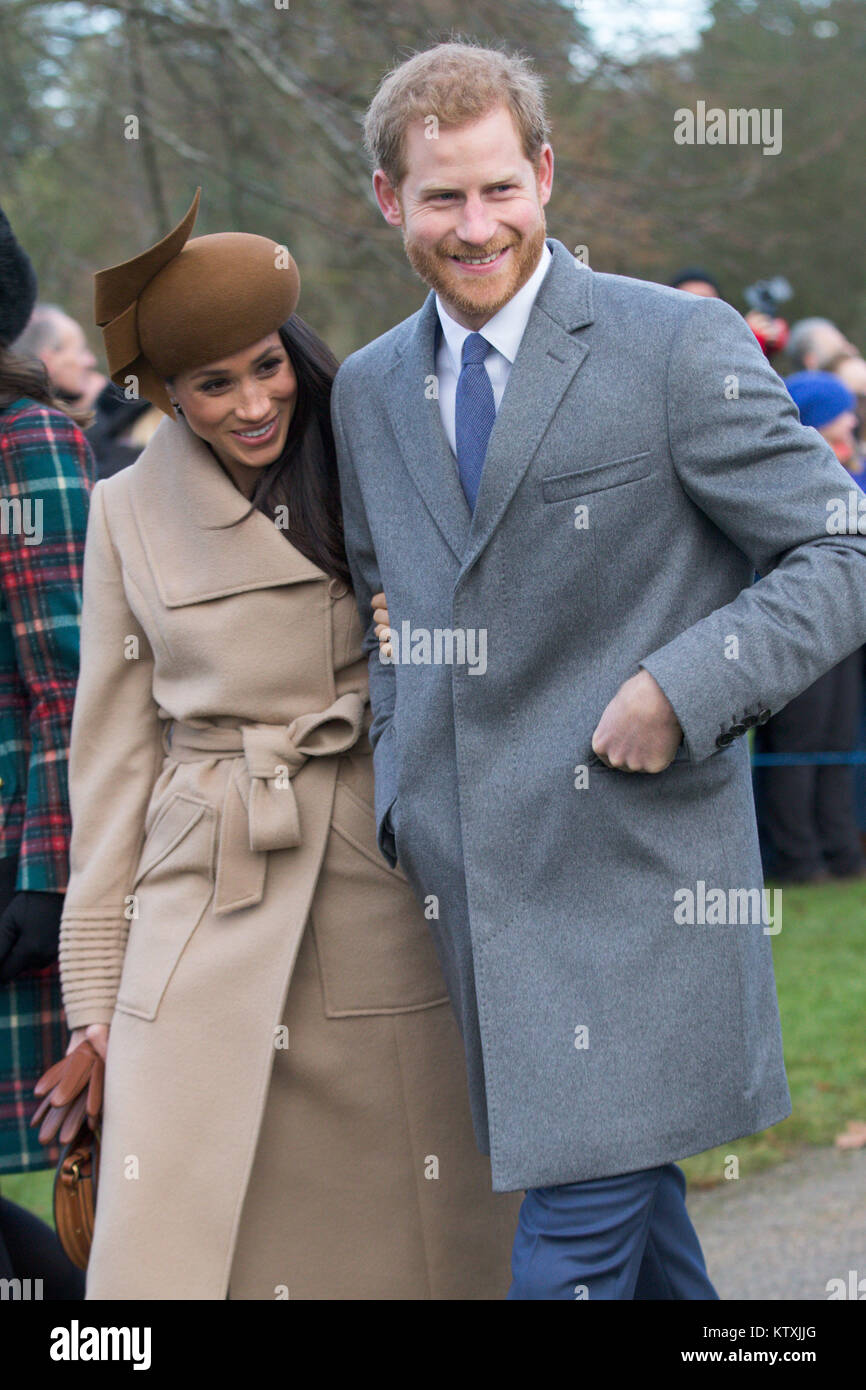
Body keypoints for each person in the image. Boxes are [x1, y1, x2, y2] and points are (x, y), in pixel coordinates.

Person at [332, 40, 866, 1300]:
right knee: (647, 1248)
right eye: (442, 196)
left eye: (499, 189)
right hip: (476, 901)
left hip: (642, 898)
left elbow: (841, 546)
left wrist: (685, 686)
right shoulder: (362, 392)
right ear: (386, 199)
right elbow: (385, 607)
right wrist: (399, 781)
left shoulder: (675, 344)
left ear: (545, 175)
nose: (476, 227)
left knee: (567, 1252)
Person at [57, 188, 519, 1300]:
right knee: (169, 1237)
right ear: (167, 396)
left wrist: (416, 635)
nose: (254, 401)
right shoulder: (123, 512)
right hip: (198, 891)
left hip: (371, 875)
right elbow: (112, 761)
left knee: (409, 1227)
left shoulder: (376, 450)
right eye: (213, 383)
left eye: (267, 366)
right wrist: (91, 1000)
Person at [0, 204, 92, 1297]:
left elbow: (65, 681)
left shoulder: (27, 443)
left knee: (88, 1184)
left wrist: (44, 881)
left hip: (20, 863)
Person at [756, 372, 865, 884]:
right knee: (797, 747)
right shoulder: (788, 474)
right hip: (797, 625)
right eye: (841, 423)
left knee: (838, 741)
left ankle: (842, 852)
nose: (852, 430)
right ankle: (798, 859)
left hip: (848, 625)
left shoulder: (851, 469)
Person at [12, 303, 98, 409]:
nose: (91, 361)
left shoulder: (16, 414)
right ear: (47, 361)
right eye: (81, 351)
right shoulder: (46, 421)